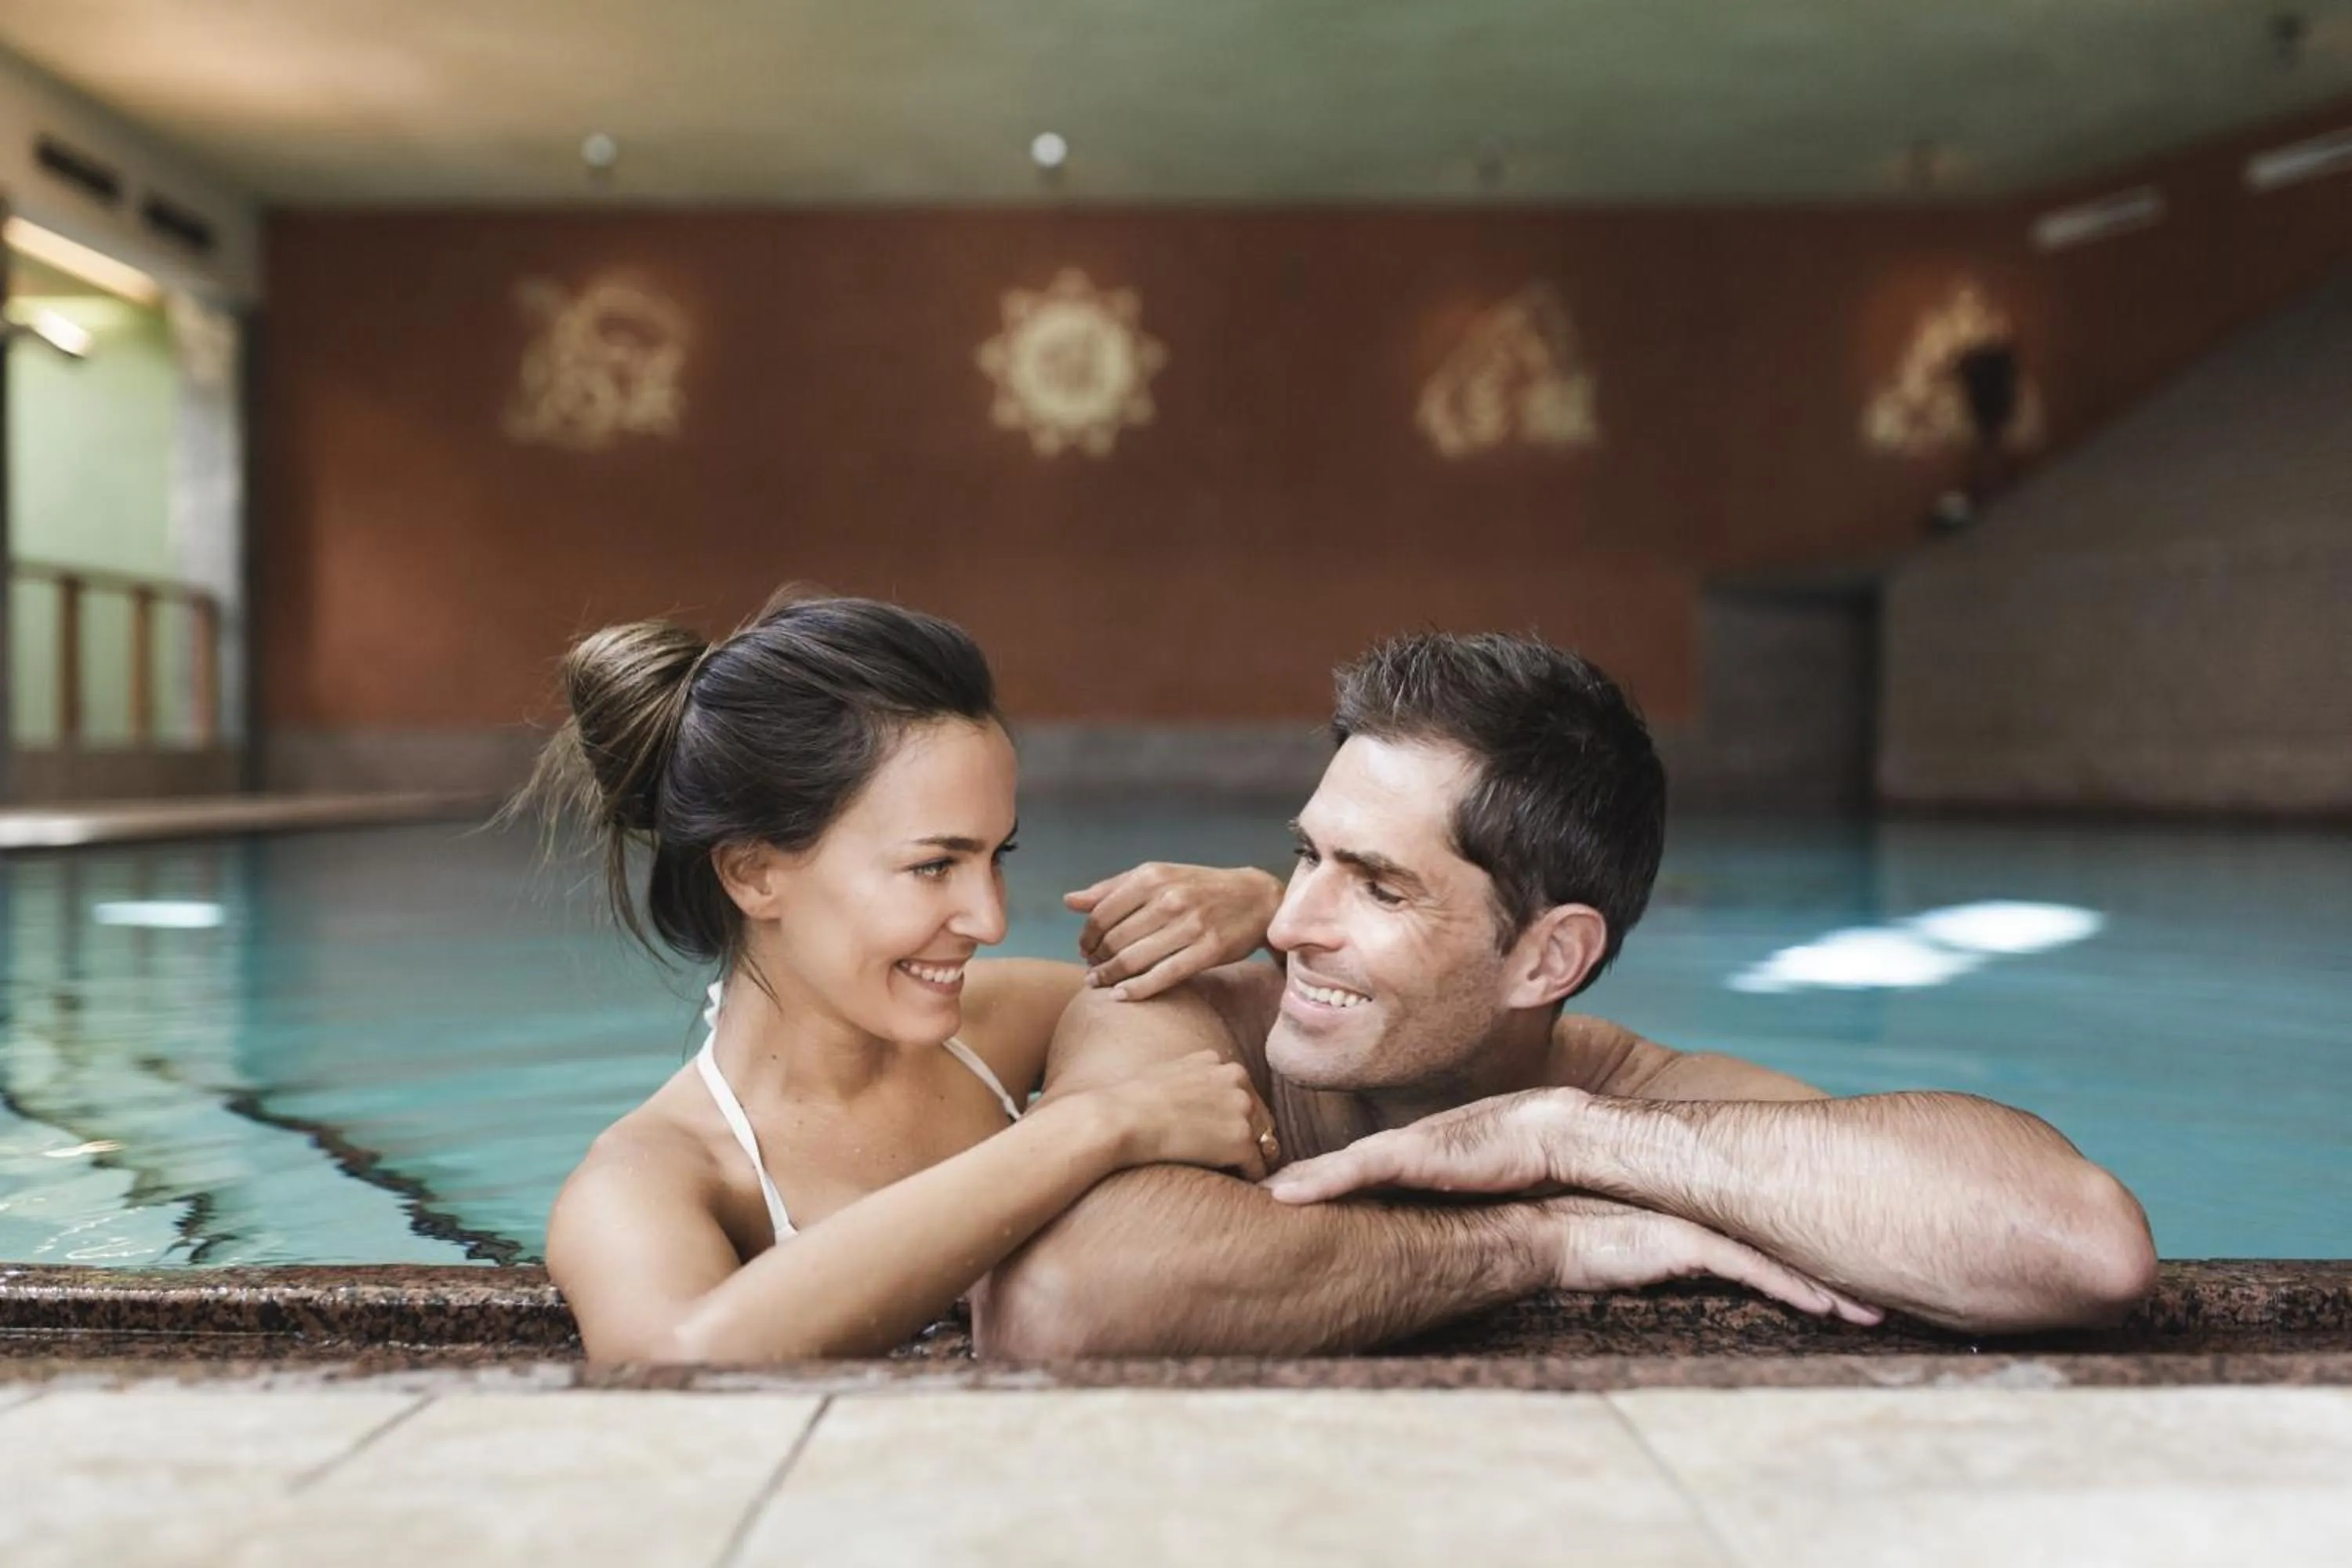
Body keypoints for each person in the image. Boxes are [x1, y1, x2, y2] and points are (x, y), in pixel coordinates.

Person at [978, 631, 2160, 1356]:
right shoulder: (1177, 1014)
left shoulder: (1627, 1098)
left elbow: (2081, 1252)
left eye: (1380, 888)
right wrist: (1535, 1244)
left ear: (1548, 960)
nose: (1288, 925)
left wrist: (1561, 1134)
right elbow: (1064, 1304)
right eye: (1308, 856)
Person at [530, 590, 1287, 1362]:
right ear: (755, 873)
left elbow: (1320, 1032)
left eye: (997, 857)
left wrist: (1275, 909)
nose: (990, 920)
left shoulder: (1005, 1024)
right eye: (934, 865)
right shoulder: (654, 1174)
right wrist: (1096, 1125)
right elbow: (673, 1358)